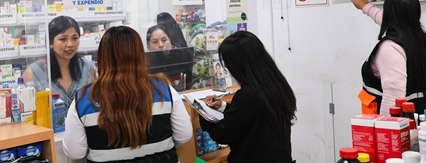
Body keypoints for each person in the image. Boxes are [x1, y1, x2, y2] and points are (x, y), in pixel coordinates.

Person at [63, 26, 193, 163]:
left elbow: (75, 153)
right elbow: (184, 135)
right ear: (140, 55)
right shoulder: (164, 90)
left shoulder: (84, 99)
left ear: (102, 57)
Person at [199, 31, 296, 163]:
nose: (226, 66)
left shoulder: (248, 95)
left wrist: (203, 113)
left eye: (227, 62)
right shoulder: (276, 84)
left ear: (238, 63)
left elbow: (224, 134)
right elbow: (252, 116)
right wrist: (223, 106)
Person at [351, 0, 426, 115]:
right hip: (419, 118)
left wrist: (385, 126)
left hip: (398, 123)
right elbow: (387, 19)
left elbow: (393, 98)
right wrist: (365, 6)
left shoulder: (391, 48)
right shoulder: (419, 39)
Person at [23, 16, 95, 108]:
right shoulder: (33, 73)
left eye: (75, 38)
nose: (70, 44)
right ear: (50, 42)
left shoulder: (87, 68)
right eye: (63, 39)